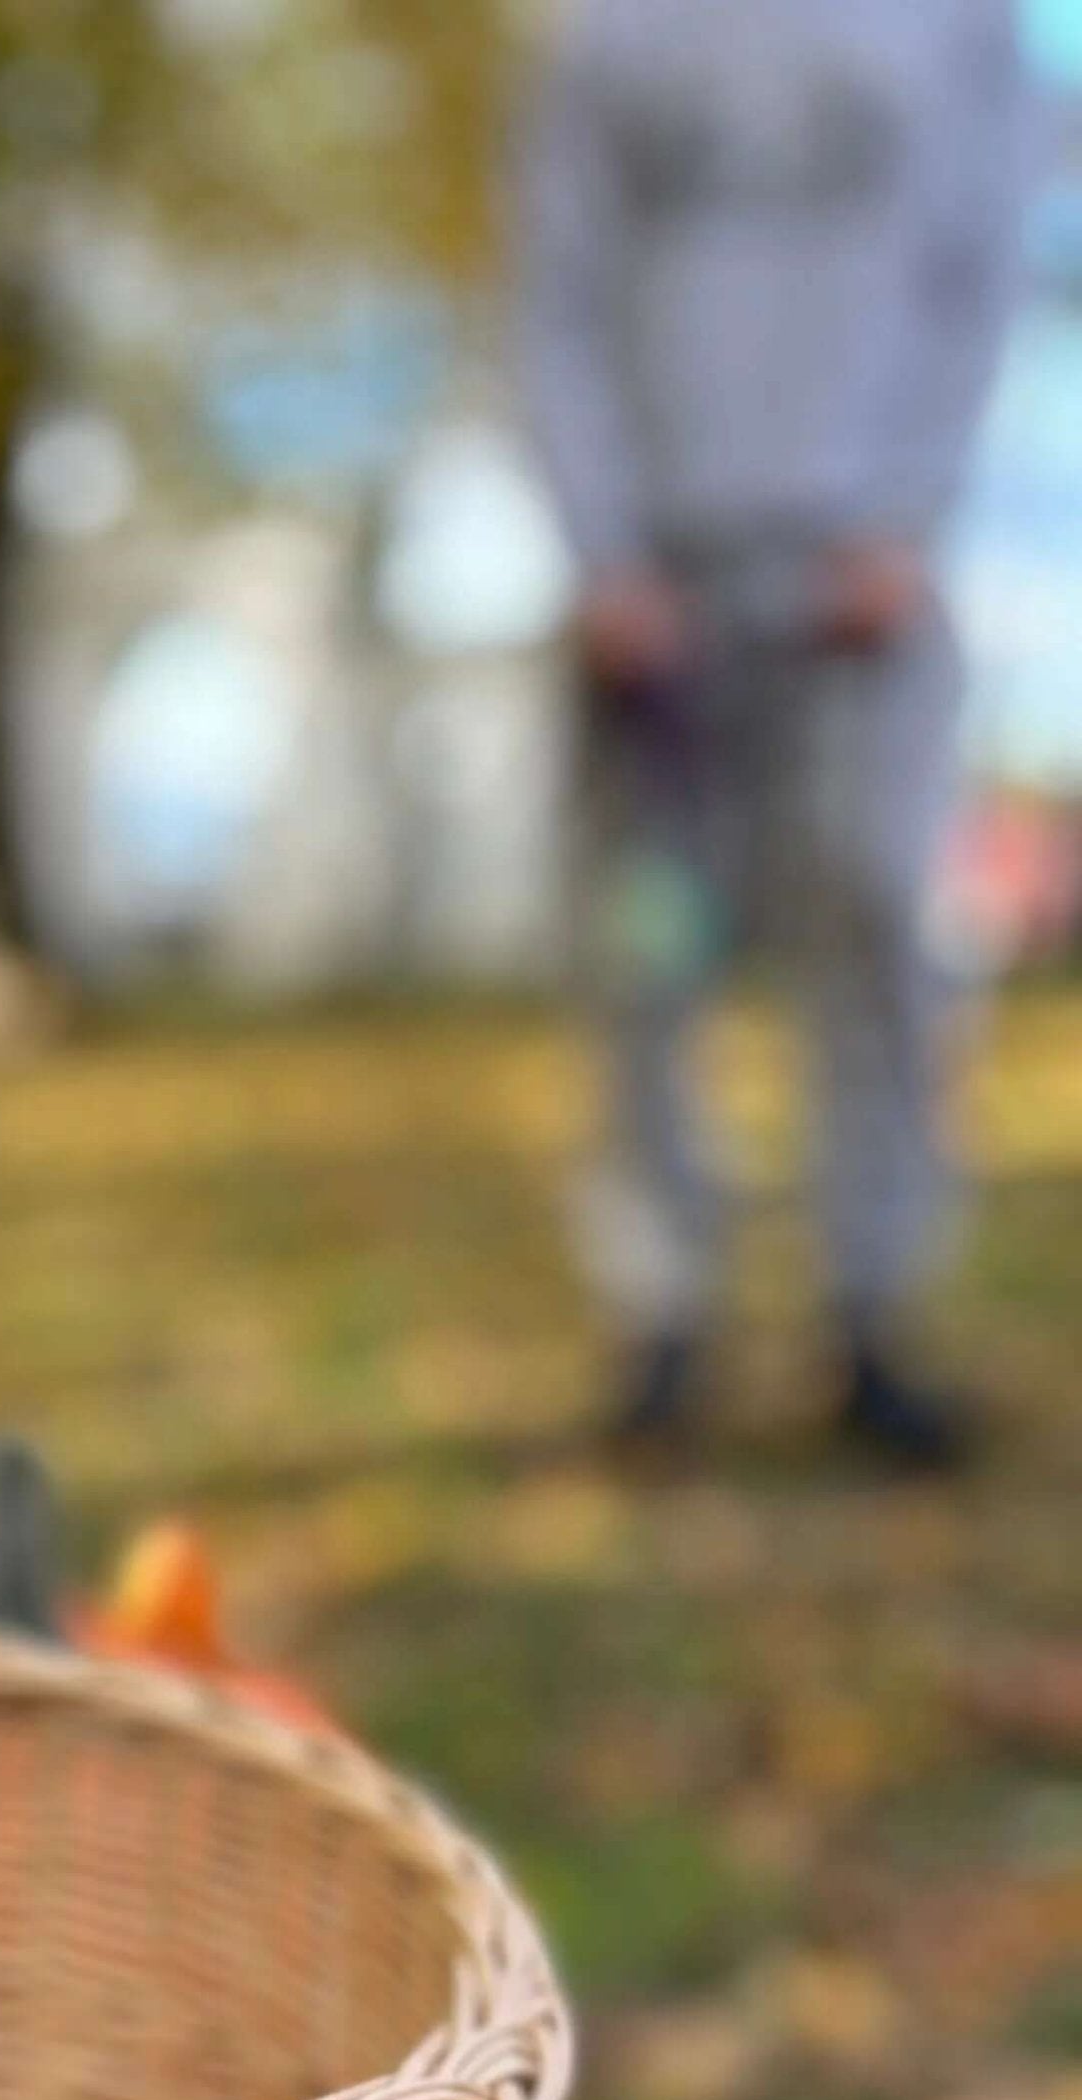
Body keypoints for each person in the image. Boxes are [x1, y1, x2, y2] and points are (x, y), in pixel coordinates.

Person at [515, 0, 1034, 1463]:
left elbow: (977, 267)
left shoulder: (959, 27)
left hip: (861, 575)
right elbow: (556, 289)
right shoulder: (600, 35)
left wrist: (906, 512)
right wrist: (605, 548)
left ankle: (874, 1314)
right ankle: (662, 1317)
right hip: (655, 592)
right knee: (646, 955)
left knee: (874, 925)